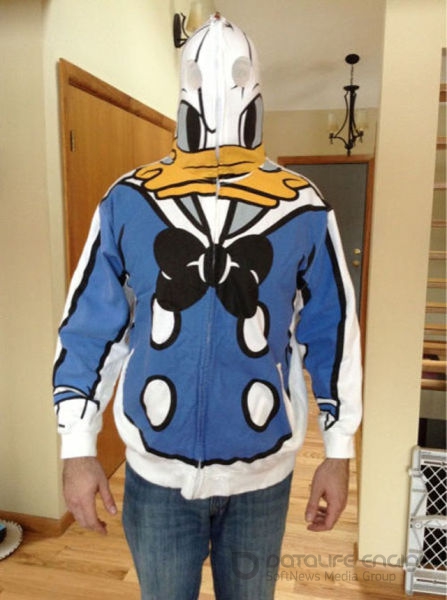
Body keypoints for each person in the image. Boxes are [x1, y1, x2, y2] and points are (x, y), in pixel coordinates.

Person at [54, 14, 362, 600]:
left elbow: (332, 331)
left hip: (262, 477)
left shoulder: (302, 207)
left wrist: (339, 449)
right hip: (156, 476)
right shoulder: (128, 201)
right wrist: (77, 446)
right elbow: (92, 327)